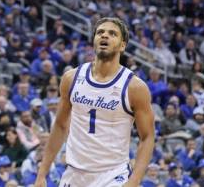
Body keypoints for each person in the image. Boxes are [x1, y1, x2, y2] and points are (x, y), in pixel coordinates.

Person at [34, 17, 156, 187]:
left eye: (112, 33)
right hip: (74, 174)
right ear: (94, 41)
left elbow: (148, 137)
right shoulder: (71, 78)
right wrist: (42, 173)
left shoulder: (134, 87)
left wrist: (134, 180)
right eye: (100, 32)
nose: (104, 36)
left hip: (111, 175)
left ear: (122, 45)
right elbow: (60, 126)